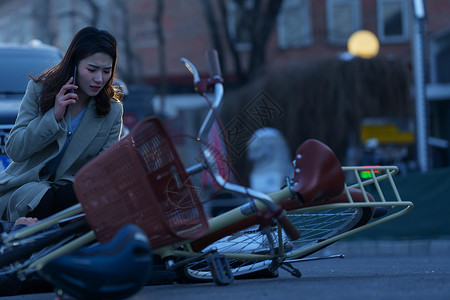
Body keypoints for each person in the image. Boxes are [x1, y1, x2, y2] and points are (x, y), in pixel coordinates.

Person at [0, 27, 123, 222]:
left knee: (75, 197)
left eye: (106, 71)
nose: (99, 79)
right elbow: (15, 149)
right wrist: (52, 117)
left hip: (72, 191)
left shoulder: (111, 110)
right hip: (23, 188)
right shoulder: (39, 91)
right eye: (91, 70)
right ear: (74, 63)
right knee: (41, 197)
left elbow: (104, 168)